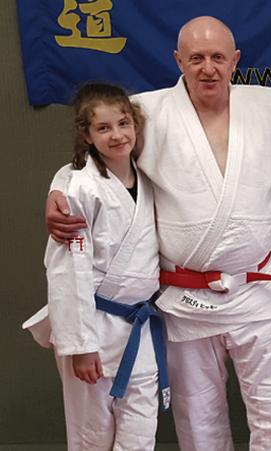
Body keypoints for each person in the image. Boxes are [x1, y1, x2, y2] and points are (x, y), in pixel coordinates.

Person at [45, 17, 271, 451]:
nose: (208, 68)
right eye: (197, 58)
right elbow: (97, 156)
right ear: (178, 61)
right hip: (186, 299)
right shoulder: (146, 111)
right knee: (199, 417)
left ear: (235, 60)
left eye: (218, 57)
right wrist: (58, 187)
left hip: (256, 289)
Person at [24, 83, 166, 450]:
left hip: (139, 325)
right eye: (103, 128)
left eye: (123, 123)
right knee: (92, 435)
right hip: (93, 326)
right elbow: (66, 273)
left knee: (140, 431)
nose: (117, 135)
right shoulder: (78, 190)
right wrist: (80, 346)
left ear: (135, 124)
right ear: (86, 136)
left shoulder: (148, 175)